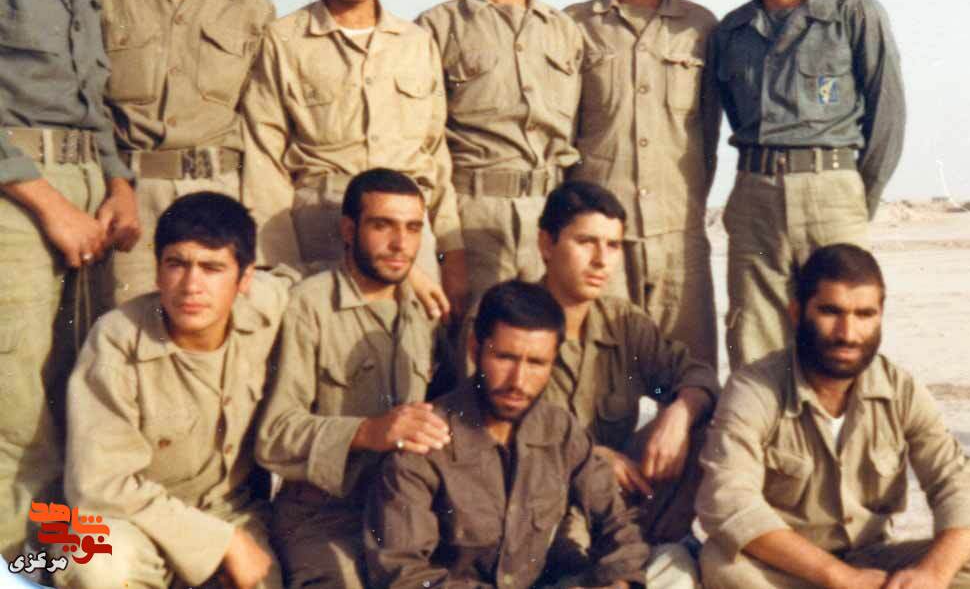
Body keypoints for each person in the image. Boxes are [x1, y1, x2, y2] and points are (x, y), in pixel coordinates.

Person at [696, 244, 970, 589]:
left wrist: (933, 574)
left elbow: (957, 483)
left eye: (864, 315)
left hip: (872, 561)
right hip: (789, 565)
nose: (847, 334)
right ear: (796, 313)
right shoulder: (754, 389)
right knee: (725, 566)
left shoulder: (900, 389)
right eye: (830, 312)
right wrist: (840, 577)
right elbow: (728, 499)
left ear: (881, 317)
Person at [0, 0, 139, 561]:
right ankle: (13, 564)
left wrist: (118, 184)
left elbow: (94, 98)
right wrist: (50, 204)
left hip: (87, 194)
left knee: (73, 389)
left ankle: (51, 561)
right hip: (19, 198)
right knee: (14, 403)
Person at [709, 0, 906, 369]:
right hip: (755, 198)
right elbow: (731, 117)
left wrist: (856, 199)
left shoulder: (852, 15)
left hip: (832, 193)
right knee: (753, 342)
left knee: (842, 339)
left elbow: (888, 117)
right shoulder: (730, 33)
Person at [241, 0, 463, 313]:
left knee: (413, 348)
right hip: (320, 234)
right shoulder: (284, 41)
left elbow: (435, 157)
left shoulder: (416, 43)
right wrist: (281, 271)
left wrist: (452, 253)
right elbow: (263, 163)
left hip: (408, 241)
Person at [61, 192, 295, 589]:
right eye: (177, 264)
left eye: (212, 267)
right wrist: (221, 543)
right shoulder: (118, 338)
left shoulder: (268, 307)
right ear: (157, 272)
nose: (191, 286)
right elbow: (99, 485)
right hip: (131, 520)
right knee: (95, 560)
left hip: (232, 514)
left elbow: (319, 285)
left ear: (245, 279)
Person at [85, 0, 275, 307]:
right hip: (124, 197)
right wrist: (114, 185)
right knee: (124, 334)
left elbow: (263, 126)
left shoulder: (250, 1)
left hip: (219, 199)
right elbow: (77, 99)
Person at [363, 280, 649, 589]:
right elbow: (403, 574)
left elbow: (617, 522)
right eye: (504, 358)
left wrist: (620, 582)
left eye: (536, 363)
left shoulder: (561, 431)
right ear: (475, 349)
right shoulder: (425, 441)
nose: (518, 381)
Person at [255, 168, 451, 589]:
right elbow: (274, 435)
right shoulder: (309, 306)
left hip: (405, 516)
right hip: (324, 516)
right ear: (349, 229)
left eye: (413, 228)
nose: (400, 244)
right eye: (383, 225)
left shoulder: (424, 312)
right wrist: (366, 432)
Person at [416, 0, 583, 339]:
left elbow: (576, 142)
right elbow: (426, 149)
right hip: (475, 220)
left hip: (549, 220)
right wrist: (450, 249)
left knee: (549, 353)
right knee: (474, 352)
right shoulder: (437, 28)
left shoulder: (565, 32)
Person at [564, 0, 721, 368]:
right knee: (601, 387)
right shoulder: (573, 27)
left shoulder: (700, 28)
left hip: (678, 241)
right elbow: (565, 137)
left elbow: (708, 135)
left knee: (690, 380)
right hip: (600, 243)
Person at [536, 181, 717, 586]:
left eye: (613, 245)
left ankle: (653, 548)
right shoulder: (509, 317)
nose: (601, 260)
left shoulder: (622, 321)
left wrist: (679, 413)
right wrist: (589, 455)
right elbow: (492, 430)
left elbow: (697, 375)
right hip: (545, 499)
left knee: (707, 427)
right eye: (586, 242)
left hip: (617, 498)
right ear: (546, 244)